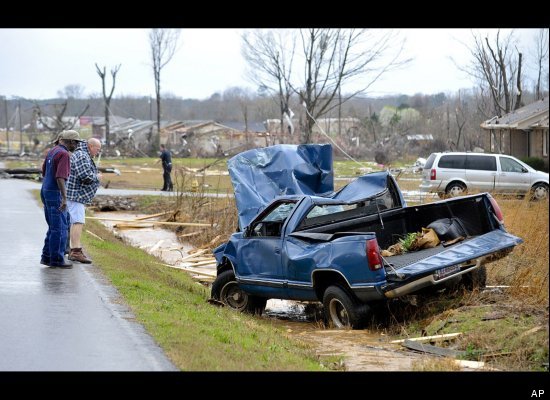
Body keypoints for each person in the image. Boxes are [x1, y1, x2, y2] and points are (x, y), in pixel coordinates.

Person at [40, 130, 82, 268]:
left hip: (46, 190)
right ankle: (57, 260)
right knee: (60, 228)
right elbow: (60, 177)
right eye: (76, 143)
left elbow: (44, 171)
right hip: (55, 193)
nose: (76, 146)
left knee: (53, 227)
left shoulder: (52, 151)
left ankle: (46, 257)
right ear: (70, 141)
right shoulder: (64, 154)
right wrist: (64, 198)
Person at [66, 138, 102, 264]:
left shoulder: (82, 153)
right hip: (76, 195)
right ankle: (75, 252)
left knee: (74, 222)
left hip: (76, 195)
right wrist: (96, 177)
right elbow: (85, 176)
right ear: (91, 146)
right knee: (78, 221)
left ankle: (71, 250)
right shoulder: (82, 155)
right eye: (97, 149)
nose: (98, 152)